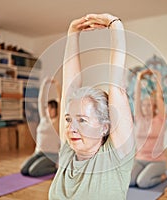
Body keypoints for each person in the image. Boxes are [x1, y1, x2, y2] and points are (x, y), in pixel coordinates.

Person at [49, 13, 135, 200]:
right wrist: (73, 32)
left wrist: (115, 25)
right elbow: (69, 86)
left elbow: (117, 88)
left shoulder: (115, 156)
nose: (71, 128)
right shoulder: (68, 151)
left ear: (104, 127)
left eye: (82, 120)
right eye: (69, 119)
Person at [129, 69, 167, 188]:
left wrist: (158, 77)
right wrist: (139, 78)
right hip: (140, 159)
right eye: (144, 105)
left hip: (157, 161)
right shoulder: (139, 119)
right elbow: (136, 97)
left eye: (149, 105)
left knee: (142, 183)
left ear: (154, 107)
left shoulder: (160, 119)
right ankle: (145, 172)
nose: (146, 107)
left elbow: (160, 97)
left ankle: (161, 177)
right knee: (129, 182)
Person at [20, 77, 61, 177]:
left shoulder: (57, 121)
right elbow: (40, 100)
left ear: (56, 109)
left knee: (33, 172)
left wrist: (57, 85)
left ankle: (56, 168)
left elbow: (61, 100)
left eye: (51, 108)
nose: (48, 110)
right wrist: (44, 84)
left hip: (51, 155)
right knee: (24, 170)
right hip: (38, 153)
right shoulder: (43, 118)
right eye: (47, 108)